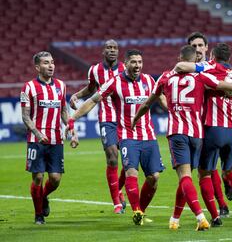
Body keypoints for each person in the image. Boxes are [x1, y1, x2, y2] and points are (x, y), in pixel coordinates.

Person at [131, 45, 232, 230]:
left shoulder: (165, 77)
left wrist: (135, 119)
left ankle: (201, 217)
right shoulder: (201, 76)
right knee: (194, 176)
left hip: (178, 132)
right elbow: (222, 85)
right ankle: (175, 219)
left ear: (180, 57)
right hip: (198, 134)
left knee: (185, 177)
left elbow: (148, 103)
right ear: (194, 59)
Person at [66, 49, 165, 225]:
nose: (137, 66)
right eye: (133, 62)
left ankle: (140, 210)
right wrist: (73, 118)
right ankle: (136, 212)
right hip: (127, 136)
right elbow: (93, 100)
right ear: (125, 64)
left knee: (154, 178)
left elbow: (162, 98)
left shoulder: (150, 80)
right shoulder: (115, 82)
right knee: (131, 172)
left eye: (140, 62)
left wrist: (174, 109)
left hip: (149, 135)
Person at [175, 43, 232, 226]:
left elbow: (183, 68)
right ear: (229, 59)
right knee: (230, 171)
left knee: (205, 174)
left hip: (212, 128)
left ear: (212, 55)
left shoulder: (209, 68)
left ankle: (215, 216)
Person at [20, 51, 78, 224]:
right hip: (36, 140)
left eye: (52, 62)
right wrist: (38, 134)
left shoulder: (61, 85)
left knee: (55, 178)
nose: (51, 65)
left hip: (56, 139)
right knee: (38, 177)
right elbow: (25, 116)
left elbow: (64, 111)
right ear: (37, 67)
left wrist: (71, 129)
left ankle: (43, 197)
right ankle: (38, 214)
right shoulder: (28, 87)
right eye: (46, 63)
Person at [69, 39, 127, 214]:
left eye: (115, 48)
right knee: (112, 157)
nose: (112, 50)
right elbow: (91, 89)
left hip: (125, 119)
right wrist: (77, 95)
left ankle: (118, 188)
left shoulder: (126, 69)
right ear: (103, 51)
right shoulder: (95, 70)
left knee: (128, 160)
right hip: (107, 119)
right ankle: (116, 202)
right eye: (109, 48)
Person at [187, 32, 232, 214]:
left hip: (220, 120)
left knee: (225, 166)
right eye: (194, 46)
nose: (197, 49)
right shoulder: (190, 69)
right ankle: (222, 206)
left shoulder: (212, 67)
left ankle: (228, 181)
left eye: (200, 45)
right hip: (199, 123)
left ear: (207, 48)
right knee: (206, 167)